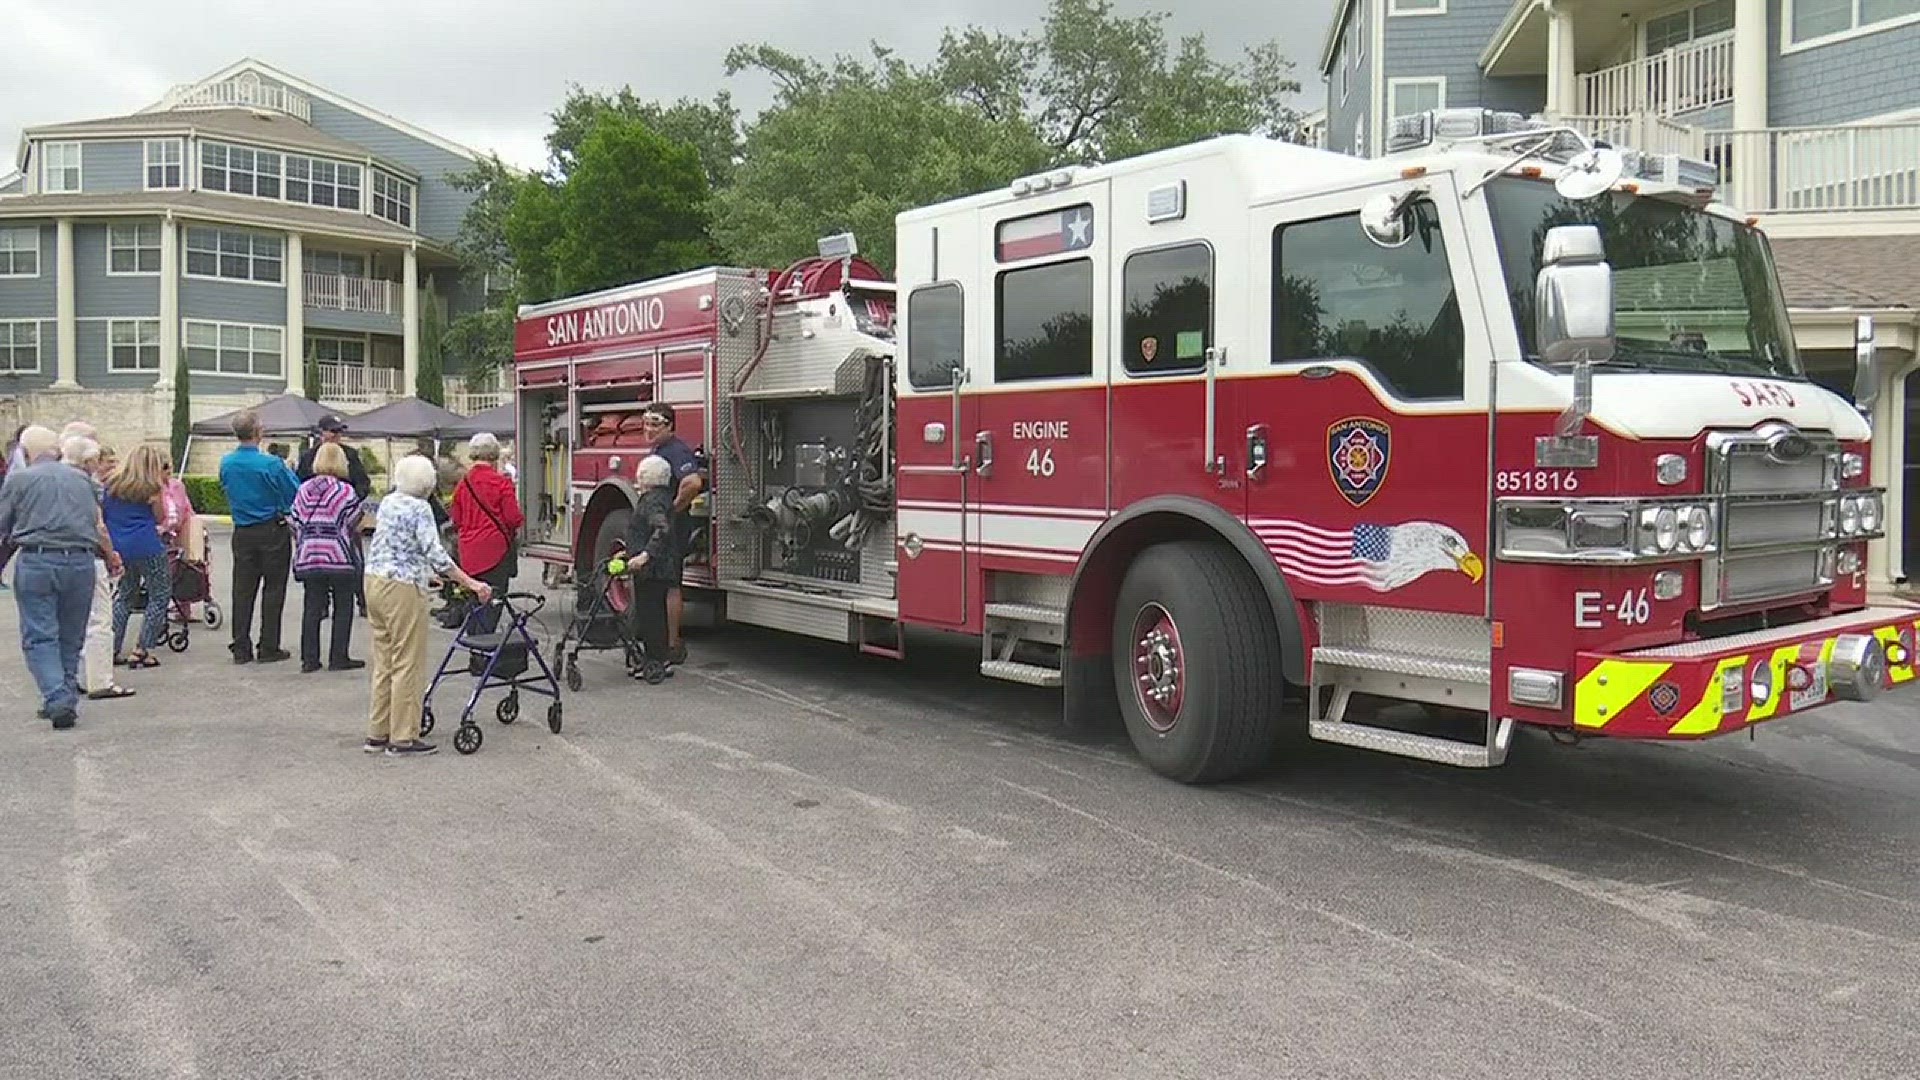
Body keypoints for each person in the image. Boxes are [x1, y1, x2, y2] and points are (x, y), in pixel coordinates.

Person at [362, 455, 493, 756]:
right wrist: (471, 583)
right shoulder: (420, 508)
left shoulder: (389, 501)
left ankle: (377, 732)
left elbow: (399, 544)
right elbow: (436, 553)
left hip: (374, 581)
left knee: (384, 660)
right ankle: (403, 737)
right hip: (403, 588)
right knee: (408, 661)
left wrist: (425, 573)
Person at [0, 425, 118, 728]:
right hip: (81, 562)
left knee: (40, 634)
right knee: (71, 633)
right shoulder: (85, 481)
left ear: (27, 452)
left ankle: (56, 696)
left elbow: (4, 525)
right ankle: (62, 693)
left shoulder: (19, 479)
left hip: (38, 559)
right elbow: (96, 521)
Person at [219, 410, 299, 664]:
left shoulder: (226, 463)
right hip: (271, 529)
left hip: (242, 530)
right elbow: (293, 492)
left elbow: (225, 488)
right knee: (274, 588)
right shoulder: (271, 463)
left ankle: (241, 646)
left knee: (242, 589)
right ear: (257, 432)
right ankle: (268, 646)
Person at [291, 443, 366, 674]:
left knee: (312, 605)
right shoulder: (345, 491)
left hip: (310, 554)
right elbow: (355, 522)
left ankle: (309, 659)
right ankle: (338, 657)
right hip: (338, 555)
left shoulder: (303, 489)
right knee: (343, 605)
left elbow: (294, 521)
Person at [638, 403, 703, 666]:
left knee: (671, 584)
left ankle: (673, 643)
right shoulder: (659, 450)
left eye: (656, 424)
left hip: (671, 530)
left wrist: (672, 509)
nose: (649, 429)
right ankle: (659, 639)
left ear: (670, 427)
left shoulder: (676, 451)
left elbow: (693, 482)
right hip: (660, 527)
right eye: (647, 423)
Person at [68, 438, 130, 701]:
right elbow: (99, 526)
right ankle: (100, 680)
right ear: (89, 462)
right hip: (88, 556)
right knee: (99, 620)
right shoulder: (89, 486)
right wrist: (111, 553)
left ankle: (74, 677)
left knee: (69, 622)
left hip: (59, 558)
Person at [103, 445, 170, 674]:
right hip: (147, 545)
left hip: (120, 547)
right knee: (159, 594)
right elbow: (160, 518)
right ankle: (143, 648)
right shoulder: (152, 489)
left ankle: (111, 647)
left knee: (125, 595)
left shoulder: (110, 485)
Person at [449, 432, 524, 634]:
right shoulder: (501, 483)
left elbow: (456, 519)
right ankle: (484, 654)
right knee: (493, 603)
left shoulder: (463, 484)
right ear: (495, 455)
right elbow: (513, 518)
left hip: (469, 553)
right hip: (495, 553)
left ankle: (475, 647)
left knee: (474, 601)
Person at [622, 454, 680, 683]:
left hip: (652, 567)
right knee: (655, 613)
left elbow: (661, 528)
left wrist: (645, 555)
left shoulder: (651, 501)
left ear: (645, 476)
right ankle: (659, 658)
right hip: (663, 565)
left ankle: (654, 659)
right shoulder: (665, 497)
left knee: (650, 614)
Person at [295, 414, 371, 497]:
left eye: (340, 431)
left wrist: (352, 499)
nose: (337, 435)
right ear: (321, 432)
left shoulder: (350, 454)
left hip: (343, 502)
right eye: (333, 431)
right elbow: (300, 482)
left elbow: (362, 482)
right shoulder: (308, 456)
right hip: (314, 504)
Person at [0, 423, 27, 590]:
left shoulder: (16, 452)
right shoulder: (19, 453)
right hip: (13, 500)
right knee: (9, 540)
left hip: (11, 498)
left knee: (10, 541)